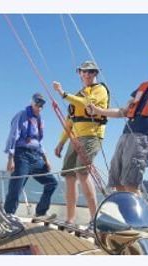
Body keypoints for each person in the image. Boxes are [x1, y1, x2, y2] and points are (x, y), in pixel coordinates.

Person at [87, 49, 148, 194]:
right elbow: (123, 111)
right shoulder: (142, 88)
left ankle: (137, 216)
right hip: (125, 136)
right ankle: (124, 216)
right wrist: (99, 111)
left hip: (143, 140)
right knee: (117, 181)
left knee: (130, 183)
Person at [53, 61, 109, 225]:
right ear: (79, 74)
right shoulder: (77, 95)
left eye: (90, 72)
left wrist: (63, 94)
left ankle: (94, 220)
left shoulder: (100, 90)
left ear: (95, 74)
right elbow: (69, 122)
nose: (87, 74)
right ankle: (70, 219)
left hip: (92, 136)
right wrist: (61, 143)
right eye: (83, 72)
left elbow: (87, 103)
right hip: (75, 138)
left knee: (82, 173)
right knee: (69, 177)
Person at [4, 93, 58, 219]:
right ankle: (8, 216)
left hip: (36, 157)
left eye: (42, 104)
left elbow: (39, 142)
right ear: (32, 102)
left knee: (52, 182)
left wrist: (46, 159)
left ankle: (40, 212)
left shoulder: (40, 120)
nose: (39, 105)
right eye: (37, 102)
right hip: (21, 155)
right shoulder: (22, 115)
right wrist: (10, 159)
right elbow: (13, 136)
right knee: (16, 188)